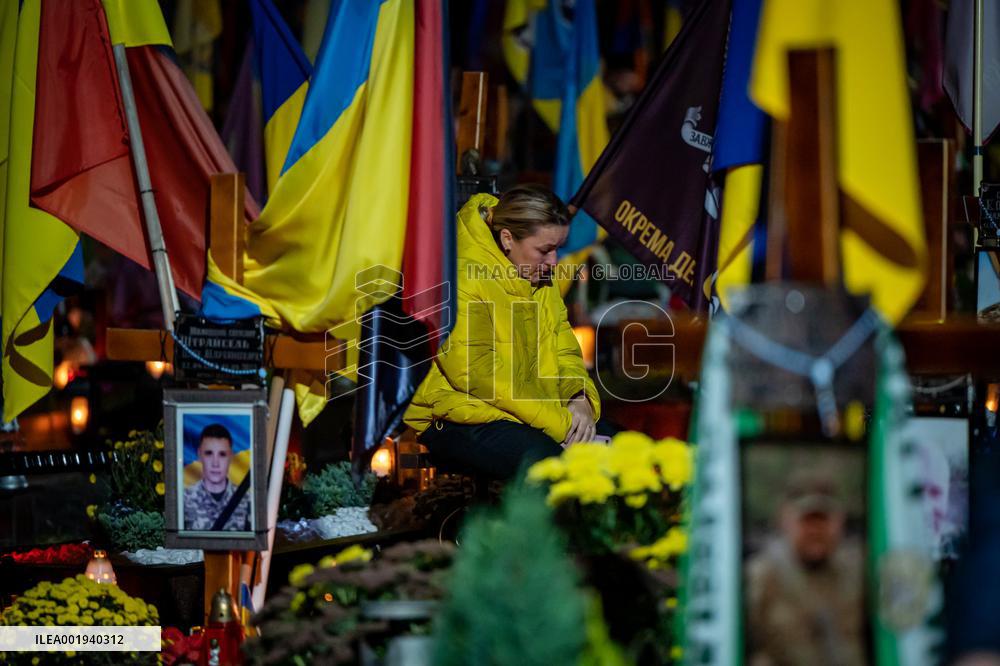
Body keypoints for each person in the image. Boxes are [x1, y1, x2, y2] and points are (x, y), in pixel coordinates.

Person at [403, 185, 602, 480]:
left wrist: (580, 399)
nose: (554, 262)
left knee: (624, 453)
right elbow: (477, 373)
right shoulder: (462, 277)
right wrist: (561, 425)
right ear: (507, 239)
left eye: (558, 248)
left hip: (528, 411)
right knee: (552, 469)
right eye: (544, 250)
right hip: (455, 413)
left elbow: (565, 351)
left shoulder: (538, 275)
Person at [746, 470, 866, 666]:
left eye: (823, 521)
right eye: (807, 521)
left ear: (839, 522)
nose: (815, 531)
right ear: (785, 521)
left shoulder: (860, 573)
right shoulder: (760, 577)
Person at [183, 424, 251, 531]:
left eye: (222, 454)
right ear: (199, 455)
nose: (215, 463)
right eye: (209, 453)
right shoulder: (184, 499)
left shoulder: (247, 501)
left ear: (231, 456)